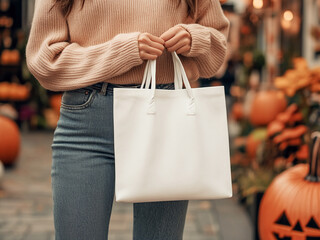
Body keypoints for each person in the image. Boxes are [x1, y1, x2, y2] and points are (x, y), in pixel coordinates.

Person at [26, 0, 229, 239]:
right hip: (86, 126)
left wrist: (194, 38)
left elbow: (217, 47)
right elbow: (44, 60)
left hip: (163, 123)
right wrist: (121, 52)